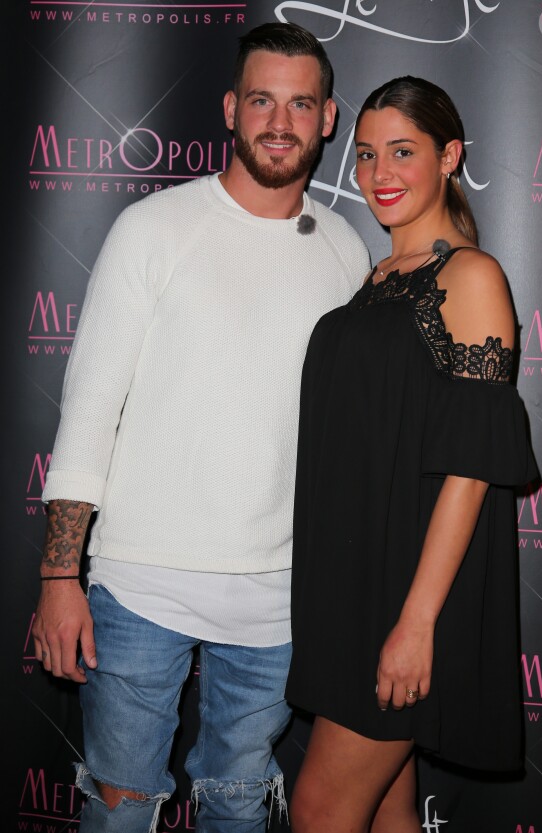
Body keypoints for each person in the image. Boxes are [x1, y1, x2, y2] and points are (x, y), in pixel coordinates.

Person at [32, 21, 370, 833]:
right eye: (261, 99)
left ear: (329, 120)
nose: (279, 121)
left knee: (237, 809)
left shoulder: (348, 253)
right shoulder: (153, 229)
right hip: (141, 586)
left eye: (300, 103)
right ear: (230, 108)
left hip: (280, 604)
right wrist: (58, 578)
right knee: (119, 810)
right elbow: (90, 409)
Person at [285, 76, 538, 832]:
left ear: (450, 155)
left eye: (402, 151)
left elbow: (471, 466)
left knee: (320, 808)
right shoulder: (374, 279)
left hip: (412, 597)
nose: (379, 173)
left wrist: (418, 620)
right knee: (389, 808)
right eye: (365, 155)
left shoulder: (472, 276)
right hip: (355, 590)